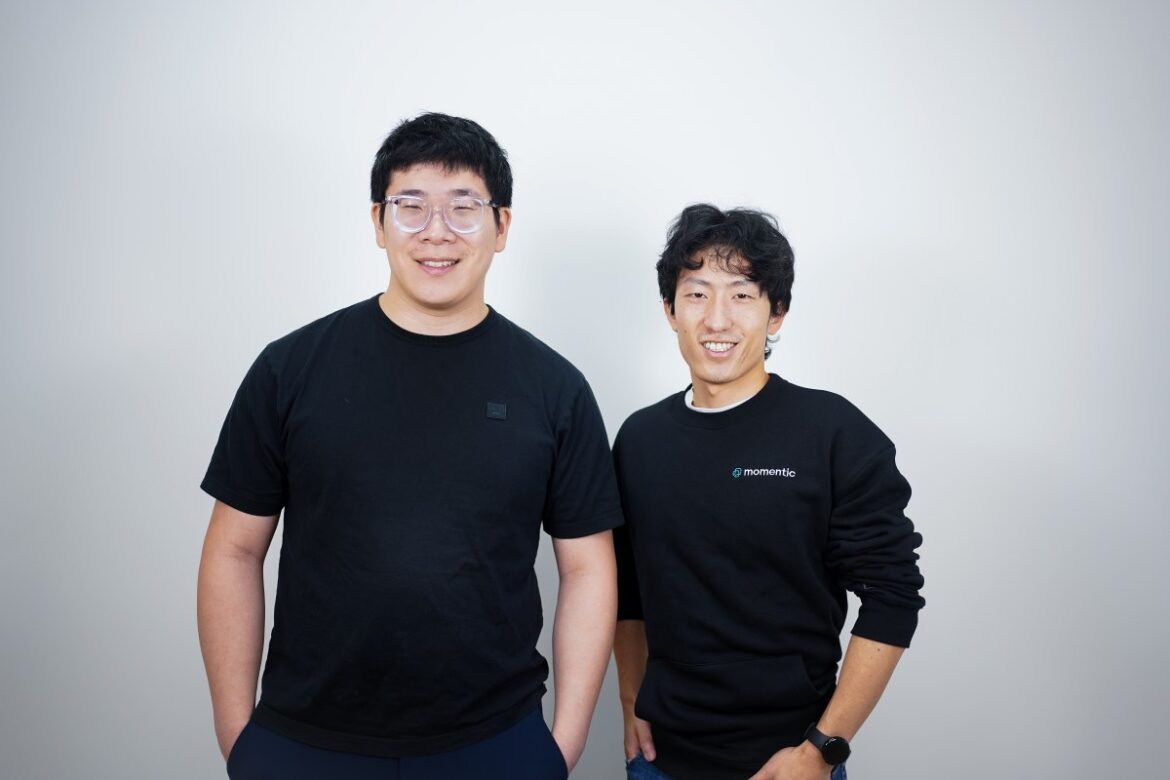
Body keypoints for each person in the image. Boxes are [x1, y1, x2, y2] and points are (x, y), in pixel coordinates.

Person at [197, 113, 622, 780]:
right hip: (305, 738)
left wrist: (559, 745)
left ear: (502, 226)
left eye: (464, 208)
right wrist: (237, 734)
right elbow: (233, 546)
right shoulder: (292, 369)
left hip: (495, 741)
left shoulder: (554, 388)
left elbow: (589, 568)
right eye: (411, 207)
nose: (436, 234)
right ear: (377, 222)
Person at [612, 204, 925, 780]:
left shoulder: (832, 432)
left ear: (775, 313)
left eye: (742, 294)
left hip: (789, 760)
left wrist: (822, 750)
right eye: (697, 294)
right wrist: (632, 700)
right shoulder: (639, 439)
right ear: (670, 310)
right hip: (661, 762)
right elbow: (625, 592)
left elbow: (894, 596)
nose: (717, 320)